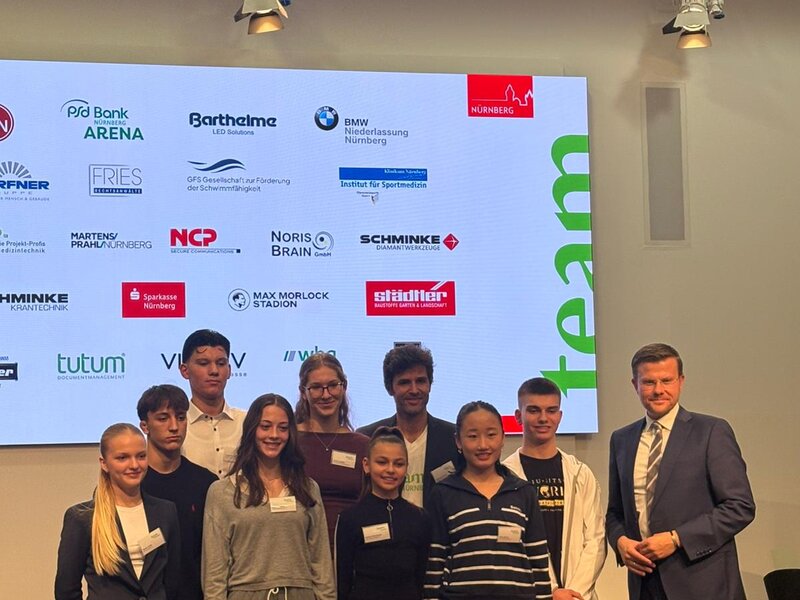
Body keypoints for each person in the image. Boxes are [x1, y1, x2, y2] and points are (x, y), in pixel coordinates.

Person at [606, 343, 756, 600]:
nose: (658, 390)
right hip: (644, 585)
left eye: (667, 380)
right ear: (635, 385)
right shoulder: (622, 439)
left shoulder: (711, 432)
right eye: (649, 382)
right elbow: (615, 512)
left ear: (681, 381)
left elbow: (740, 507)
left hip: (704, 586)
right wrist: (620, 542)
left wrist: (677, 539)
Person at [202, 393, 336, 600]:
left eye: (282, 428)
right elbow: (214, 573)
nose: (274, 435)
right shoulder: (222, 492)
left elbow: (321, 561)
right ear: (251, 430)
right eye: (265, 426)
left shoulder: (308, 488)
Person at [423, 401, 552, 600]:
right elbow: (434, 563)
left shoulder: (523, 492)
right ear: (458, 441)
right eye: (472, 436)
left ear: (503, 437)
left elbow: (538, 562)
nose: (483, 445)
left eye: (491, 435)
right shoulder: (443, 493)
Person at [503, 377, 606, 600]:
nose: (543, 418)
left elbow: (596, 540)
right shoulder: (504, 477)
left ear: (560, 416)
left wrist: (573, 593)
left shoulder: (580, 473)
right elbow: (509, 545)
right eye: (533, 410)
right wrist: (550, 592)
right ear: (518, 416)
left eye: (551, 410)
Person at [55, 423, 180, 600]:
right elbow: (66, 590)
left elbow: (172, 581)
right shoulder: (82, 518)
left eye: (141, 456)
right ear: (104, 463)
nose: (134, 465)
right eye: (122, 458)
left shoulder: (166, 512)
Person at [137, 384, 217, 600]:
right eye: (163, 418)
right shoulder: (132, 484)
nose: (174, 427)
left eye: (181, 418)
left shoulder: (206, 483)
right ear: (145, 426)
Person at [358, 345, 459, 510]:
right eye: (404, 382)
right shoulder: (367, 438)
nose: (414, 390)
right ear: (390, 388)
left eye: (420, 381)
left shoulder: (453, 439)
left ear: (430, 384)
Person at [335, 426, 432, 600]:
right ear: (366, 465)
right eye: (382, 462)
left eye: (398, 464)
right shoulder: (350, 518)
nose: (390, 470)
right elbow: (344, 579)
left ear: (406, 468)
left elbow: (420, 576)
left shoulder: (420, 518)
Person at [295, 353, 370, 553]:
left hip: (352, 552)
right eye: (316, 387)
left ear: (343, 387)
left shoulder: (363, 446)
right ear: (303, 392)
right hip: (299, 551)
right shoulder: (289, 442)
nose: (326, 395)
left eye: (333, 385)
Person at [179, 328, 246, 477]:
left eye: (221, 363)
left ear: (229, 370)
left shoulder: (247, 422)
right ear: (185, 370)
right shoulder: (175, 427)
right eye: (204, 363)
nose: (214, 371)